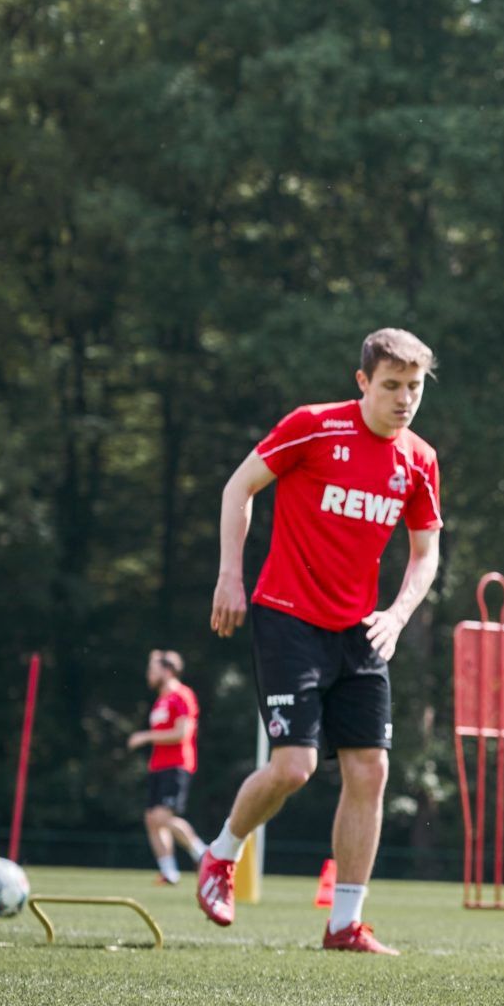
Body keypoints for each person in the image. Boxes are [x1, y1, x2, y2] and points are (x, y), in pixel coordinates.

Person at [192, 329, 444, 953]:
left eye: (414, 388)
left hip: (362, 631)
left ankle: (343, 924)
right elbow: (238, 487)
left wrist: (398, 616)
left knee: (372, 770)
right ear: (363, 382)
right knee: (295, 768)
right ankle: (221, 854)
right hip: (288, 618)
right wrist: (230, 575)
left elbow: (426, 551)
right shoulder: (313, 427)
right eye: (392, 386)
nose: (404, 400)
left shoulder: (419, 459)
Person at [125, 649, 207, 884]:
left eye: (153, 670)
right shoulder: (161, 700)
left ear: (168, 671)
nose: (149, 675)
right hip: (158, 766)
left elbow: (182, 733)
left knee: (162, 817)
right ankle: (169, 872)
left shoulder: (182, 695)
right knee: (152, 819)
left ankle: (202, 853)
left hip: (177, 764)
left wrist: (146, 736)